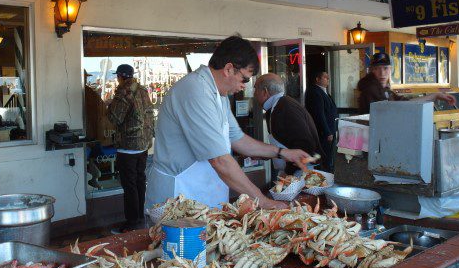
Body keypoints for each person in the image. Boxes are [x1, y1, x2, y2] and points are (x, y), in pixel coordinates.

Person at [146, 36, 310, 212]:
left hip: (203, 195)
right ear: (229, 69)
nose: (244, 87)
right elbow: (219, 160)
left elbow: (238, 139)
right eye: (245, 80)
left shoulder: (219, 94)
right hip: (179, 196)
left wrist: (282, 153)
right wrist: (263, 201)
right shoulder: (196, 91)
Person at [106, 64, 155, 233]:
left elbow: (115, 117)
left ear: (120, 76)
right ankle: (140, 218)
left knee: (130, 185)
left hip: (128, 146)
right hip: (143, 145)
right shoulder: (142, 89)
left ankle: (132, 223)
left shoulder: (124, 91)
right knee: (140, 181)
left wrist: (109, 106)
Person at [254, 73, 327, 175]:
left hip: (303, 172)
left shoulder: (285, 108)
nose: (254, 94)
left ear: (265, 91)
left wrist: (289, 173)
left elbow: (305, 144)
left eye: (255, 89)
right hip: (295, 171)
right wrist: (265, 154)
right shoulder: (279, 106)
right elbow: (285, 141)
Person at [357, 52, 455, 114]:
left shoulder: (384, 89)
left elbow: (406, 103)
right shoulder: (370, 89)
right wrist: (434, 96)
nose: (382, 73)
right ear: (371, 70)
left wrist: (435, 95)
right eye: (377, 69)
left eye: (385, 68)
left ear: (391, 70)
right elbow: (394, 109)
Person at [305, 71, 338, 170]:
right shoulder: (315, 92)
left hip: (330, 130)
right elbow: (319, 114)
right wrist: (327, 132)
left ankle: (327, 175)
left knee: (328, 157)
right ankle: (323, 177)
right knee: (323, 158)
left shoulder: (324, 91)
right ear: (317, 79)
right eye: (325, 77)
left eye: (328, 77)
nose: (328, 79)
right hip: (322, 133)